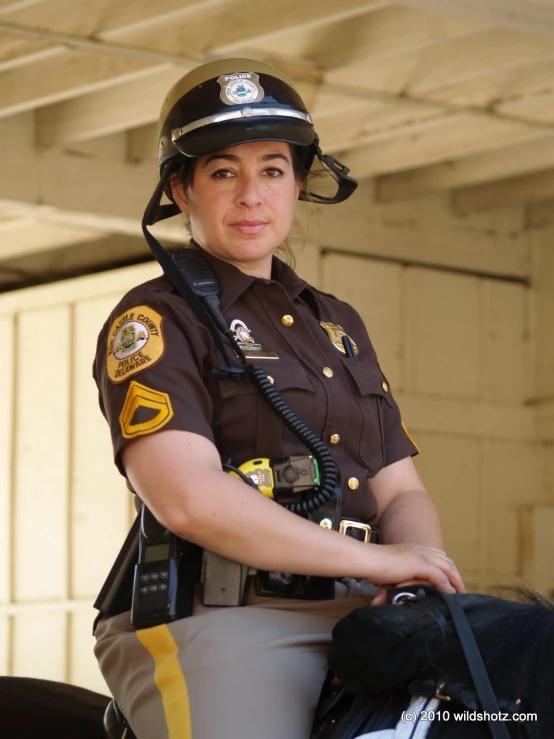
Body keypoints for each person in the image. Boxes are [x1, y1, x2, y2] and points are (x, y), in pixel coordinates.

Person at [92, 57, 464, 739]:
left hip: (364, 611)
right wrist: (380, 560)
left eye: (272, 170)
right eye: (223, 172)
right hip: (225, 619)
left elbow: (400, 488)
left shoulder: (338, 323)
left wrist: (414, 580)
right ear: (182, 189)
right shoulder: (154, 320)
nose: (251, 196)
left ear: (298, 185)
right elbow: (188, 499)